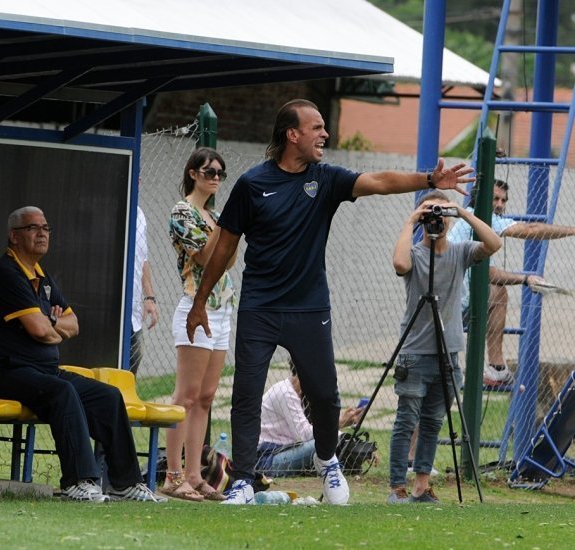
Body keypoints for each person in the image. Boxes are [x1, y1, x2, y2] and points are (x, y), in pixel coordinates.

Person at [185, 98, 475, 506]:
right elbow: (223, 248)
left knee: (324, 396)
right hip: (260, 307)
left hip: (310, 308)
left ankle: (327, 461)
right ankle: (244, 481)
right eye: (316, 127)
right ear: (292, 135)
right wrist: (200, 302)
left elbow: (378, 181)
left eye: (324, 126)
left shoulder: (326, 179)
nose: (325, 134)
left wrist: (429, 178)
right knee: (246, 394)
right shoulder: (251, 185)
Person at [0, 206, 164, 503]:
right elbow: (40, 331)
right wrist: (49, 321)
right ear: (14, 236)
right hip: (3, 371)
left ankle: (125, 483)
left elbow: (73, 325)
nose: (41, 233)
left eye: (46, 228)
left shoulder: (42, 277)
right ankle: (78, 481)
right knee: (62, 392)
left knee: (109, 396)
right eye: (32, 228)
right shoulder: (5, 274)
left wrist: (47, 321)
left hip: (41, 370)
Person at [388, 191, 501, 504]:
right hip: (415, 353)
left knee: (433, 422)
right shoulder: (414, 254)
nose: (436, 220)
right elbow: (399, 263)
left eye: (440, 214)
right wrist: (411, 219)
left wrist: (462, 213)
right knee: (406, 421)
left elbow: (494, 244)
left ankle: (421, 488)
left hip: (448, 354)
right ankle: (397, 487)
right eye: (430, 214)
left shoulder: (460, 252)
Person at [162, 147, 237, 502]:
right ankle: (172, 475)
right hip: (196, 306)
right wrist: (225, 228)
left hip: (222, 308)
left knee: (206, 397)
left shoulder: (215, 214)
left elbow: (230, 259)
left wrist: (225, 227)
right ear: (193, 173)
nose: (216, 177)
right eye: (209, 171)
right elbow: (207, 256)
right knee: (186, 396)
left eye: (220, 172)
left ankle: (195, 474)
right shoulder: (183, 211)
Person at [447, 179, 575, 386]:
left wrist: (525, 279)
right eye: (494, 198)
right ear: (480, 199)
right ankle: (495, 367)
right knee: (498, 291)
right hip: (453, 306)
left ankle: (497, 368)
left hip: (456, 303)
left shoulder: (477, 222)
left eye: (503, 200)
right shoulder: (481, 219)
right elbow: (531, 230)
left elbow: (489, 272)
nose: (499, 204)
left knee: (497, 291)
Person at [257, 362, 363, 478]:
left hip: (282, 452)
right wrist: (339, 425)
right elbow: (304, 435)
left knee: (331, 441)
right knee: (326, 442)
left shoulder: (300, 393)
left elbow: (316, 428)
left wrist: (352, 440)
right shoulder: (286, 393)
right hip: (267, 460)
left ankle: (348, 460)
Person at [130, 204, 158, 376]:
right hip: (113, 309)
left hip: (133, 308)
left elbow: (143, 259)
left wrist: (149, 297)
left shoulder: (139, 213)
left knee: (134, 358)